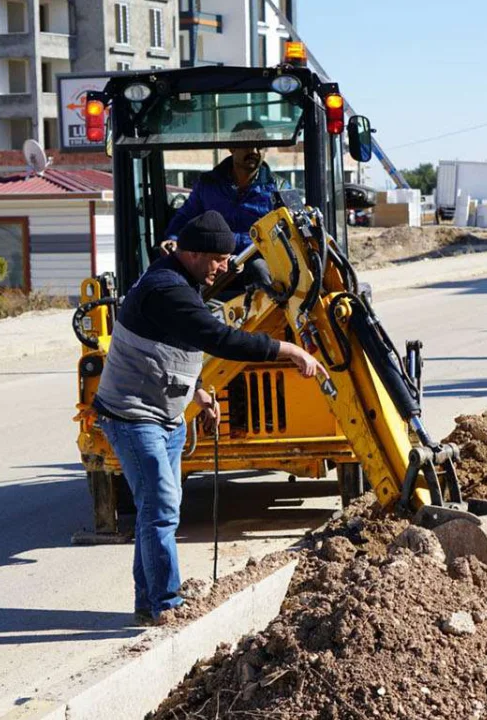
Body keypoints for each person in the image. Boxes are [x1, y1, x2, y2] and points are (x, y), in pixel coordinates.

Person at [94, 211, 325, 626]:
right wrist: (290, 351)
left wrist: (197, 390)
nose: (225, 267)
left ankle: (148, 604)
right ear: (195, 253)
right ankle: (167, 604)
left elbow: (175, 343)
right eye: (219, 259)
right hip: (132, 416)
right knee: (161, 507)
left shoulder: (180, 281)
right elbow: (219, 338)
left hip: (166, 412)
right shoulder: (166, 288)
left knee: (156, 508)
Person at [164, 120, 278, 255]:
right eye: (246, 144)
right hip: (210, 259)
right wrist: (173, 240)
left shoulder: (279, 189)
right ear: (231, 147)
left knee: (259, 270)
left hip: (256, 257)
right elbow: (185, 217)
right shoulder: (208, 184)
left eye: (260, 145)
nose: (254, 151)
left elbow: (286, 232)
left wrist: (232, 241)